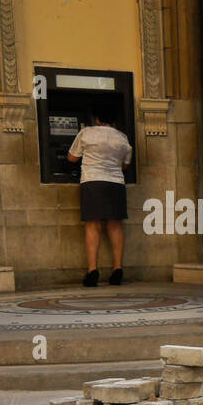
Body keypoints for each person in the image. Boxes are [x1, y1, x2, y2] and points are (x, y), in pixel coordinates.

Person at [67, 107, 132, 287]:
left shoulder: (86, 133)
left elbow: (71, 157)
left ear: (97, 119)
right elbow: (125, 165)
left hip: (92, 181)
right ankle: (117, 269)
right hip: (116, 183)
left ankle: (92, 271)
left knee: (93, 224)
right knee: (115, 225)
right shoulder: (122, 137)